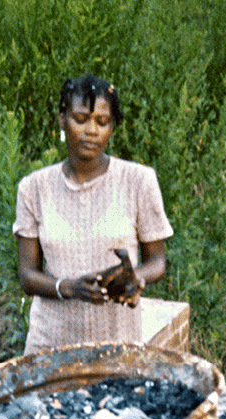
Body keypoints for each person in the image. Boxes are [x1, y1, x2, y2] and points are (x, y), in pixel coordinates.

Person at [13, 73, 174, 355]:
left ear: (112, 127)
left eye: (102, 122)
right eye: (80, 119)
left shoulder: (138, 181)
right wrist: (69, 287)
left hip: (117, 342)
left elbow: (157, 261)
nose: (92, 131)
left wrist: (135, 278)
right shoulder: (34, 188)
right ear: (62, 119)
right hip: (50, 343)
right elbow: (27, 276)